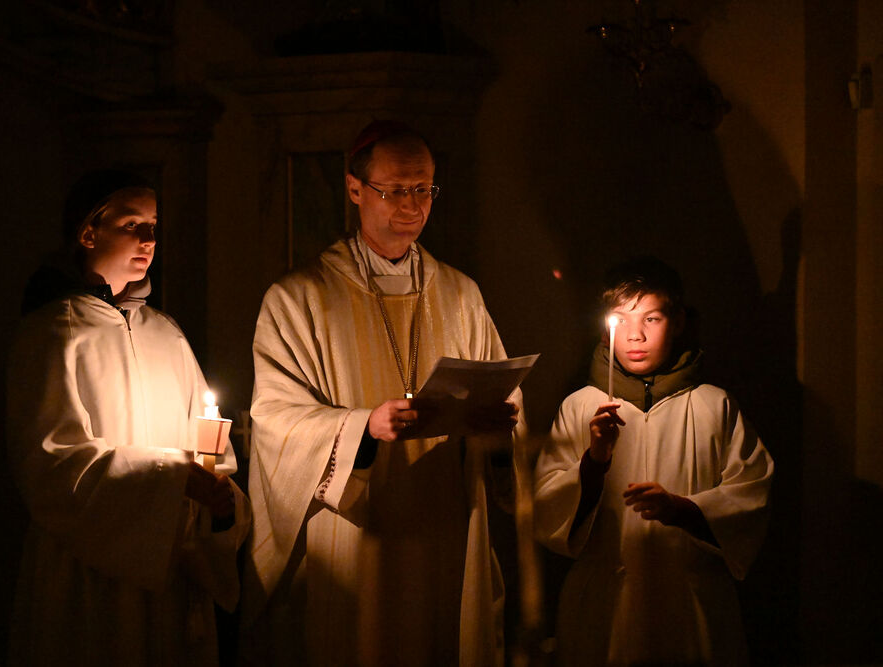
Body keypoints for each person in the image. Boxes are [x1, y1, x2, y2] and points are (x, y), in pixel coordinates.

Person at [241, 121, 522, 666]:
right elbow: (275, 417)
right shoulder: (300, 298)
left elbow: (503, 401)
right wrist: (361, 428)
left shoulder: (460, 294)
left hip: (446, 516)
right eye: (395, 190)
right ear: (354, 189)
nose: (412, 206)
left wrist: (496, 427)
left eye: (423, 189)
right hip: (355, 528)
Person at [6, 170, 250, 666]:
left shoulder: (166, 334)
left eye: (154, 225)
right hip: (89, 577)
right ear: (88, 232)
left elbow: (211, 449)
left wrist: (219, 502)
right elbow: (52, 467)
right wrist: (171, 476)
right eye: (132, 224)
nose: (149, 239)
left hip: (171, 565)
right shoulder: (54, 333)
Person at [533, 256, 774, 666]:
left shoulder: (714, 405)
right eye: (621, 319)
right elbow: (546, 507)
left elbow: (752, 494)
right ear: (605, 327)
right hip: (606, 607)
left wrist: (683, 510)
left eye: (651, 319)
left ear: (677, 322)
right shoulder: (580, 407)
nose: (635, 335)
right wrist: (595, 461)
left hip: (688, 605)